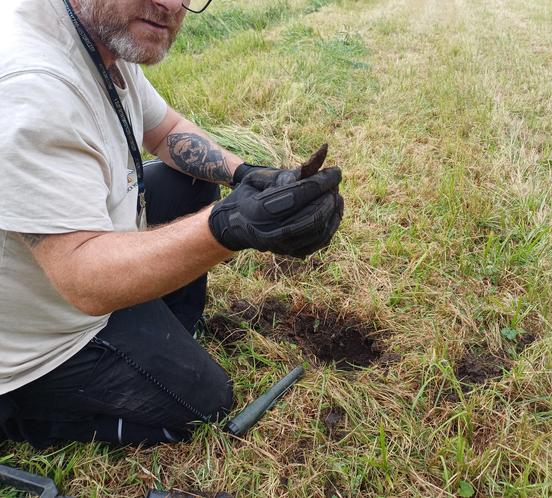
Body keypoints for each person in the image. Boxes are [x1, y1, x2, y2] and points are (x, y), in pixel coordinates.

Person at [0, 0, 343, 448]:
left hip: (76, 260)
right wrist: (228, 226)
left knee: (191, 182)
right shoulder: (32, 86)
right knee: (207, 402)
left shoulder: (98, 38)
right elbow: (82, 279)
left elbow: (164, 131)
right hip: (43, 332)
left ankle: (165, 330)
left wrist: (247, 175)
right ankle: (25, 415)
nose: (170, 5)